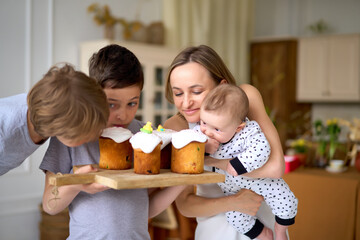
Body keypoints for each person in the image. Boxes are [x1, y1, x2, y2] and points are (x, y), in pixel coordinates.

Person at [40, 44, 185, 240]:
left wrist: (183, 181)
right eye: (111, 104)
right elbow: (50, 205)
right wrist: (76, 183)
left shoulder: (147, 138)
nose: (122, 115)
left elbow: (146, 208)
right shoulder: (70, 135)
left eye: (132, 103)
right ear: (94, 94)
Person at [163, 45, 286, 240]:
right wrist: (234, 202)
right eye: (178, 93)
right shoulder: (176, 126)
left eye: (196, 91)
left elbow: (276, 167)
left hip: (264, 218)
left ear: (221, 85)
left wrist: (209, 163)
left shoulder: (246, 97)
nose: (186, 103)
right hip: (215, 228)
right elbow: (185, 204)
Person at [194, 84, 297, 240]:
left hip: (262, 181)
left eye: (217, 129)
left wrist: (237, 165)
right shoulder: (201, 133)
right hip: (233, 190)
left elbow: (262, 148)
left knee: (286, 202)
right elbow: (191, 146)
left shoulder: (248, 131)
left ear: (238, 128)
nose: (207, 131)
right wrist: (204, 147)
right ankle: (263, 234)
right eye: (203, 123)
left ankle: (280, 230)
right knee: (235, 218)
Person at [0, 64, 109, 176]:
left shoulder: (48, 106)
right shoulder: (5, 134)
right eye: (86, 135)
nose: (92, 138)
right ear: (61, 127)